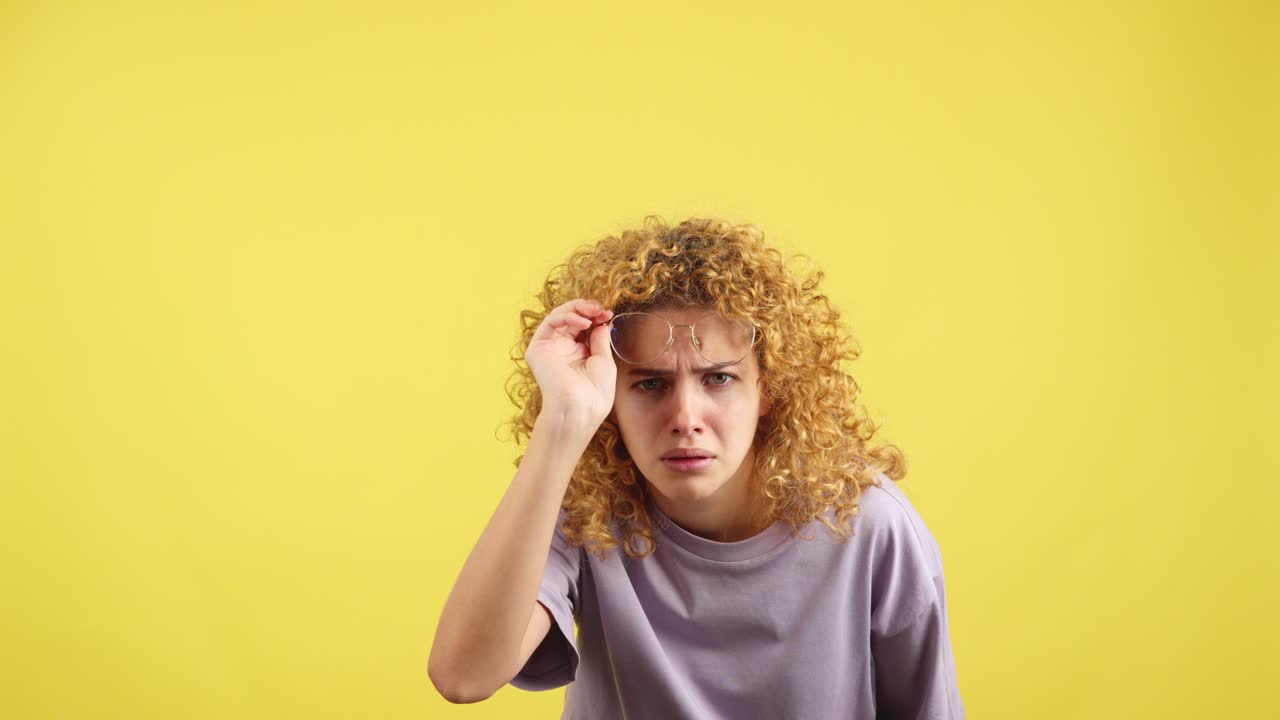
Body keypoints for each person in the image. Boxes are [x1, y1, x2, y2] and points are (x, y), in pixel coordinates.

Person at [428, 216, 965, 718]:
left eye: (719, 379)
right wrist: (563, 420)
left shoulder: (868, 523)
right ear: (613, 396)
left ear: (768, 390)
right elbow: (463, 677)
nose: (685, 418)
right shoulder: (589, 510)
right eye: (649, 383)